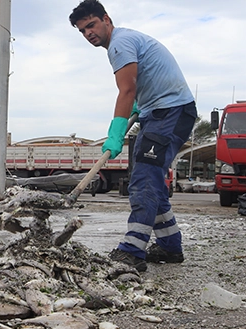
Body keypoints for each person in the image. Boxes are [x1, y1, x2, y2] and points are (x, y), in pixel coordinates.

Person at [70, 0, 197, 272]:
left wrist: (115, 133)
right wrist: (142, 102)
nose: (88, 33)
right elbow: (139, 84)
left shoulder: (119, 44)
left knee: (143, 180)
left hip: (169, 112)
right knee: (150, 178)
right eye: (82, 31)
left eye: (91, 25)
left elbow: (126, 90)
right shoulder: (126, 40)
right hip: (160, 111)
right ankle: (168, 245)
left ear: (106, 19)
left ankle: (132, 250)